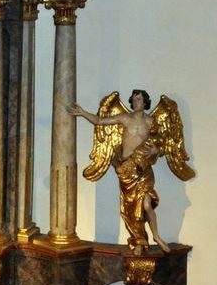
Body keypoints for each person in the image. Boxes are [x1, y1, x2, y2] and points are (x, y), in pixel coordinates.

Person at [69, 90, 170, 253]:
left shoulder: (151, 121)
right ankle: (139, 241)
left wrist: (156, 150)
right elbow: (100, 121)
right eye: (134, 99)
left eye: (139, 99)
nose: (136, 102)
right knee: (131, 210)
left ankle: (156, 237)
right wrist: (82, 113)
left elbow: (162, 141)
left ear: (145, 102)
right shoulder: (125, 118)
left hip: (143, 170)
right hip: (126, 170)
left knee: (146, 204)